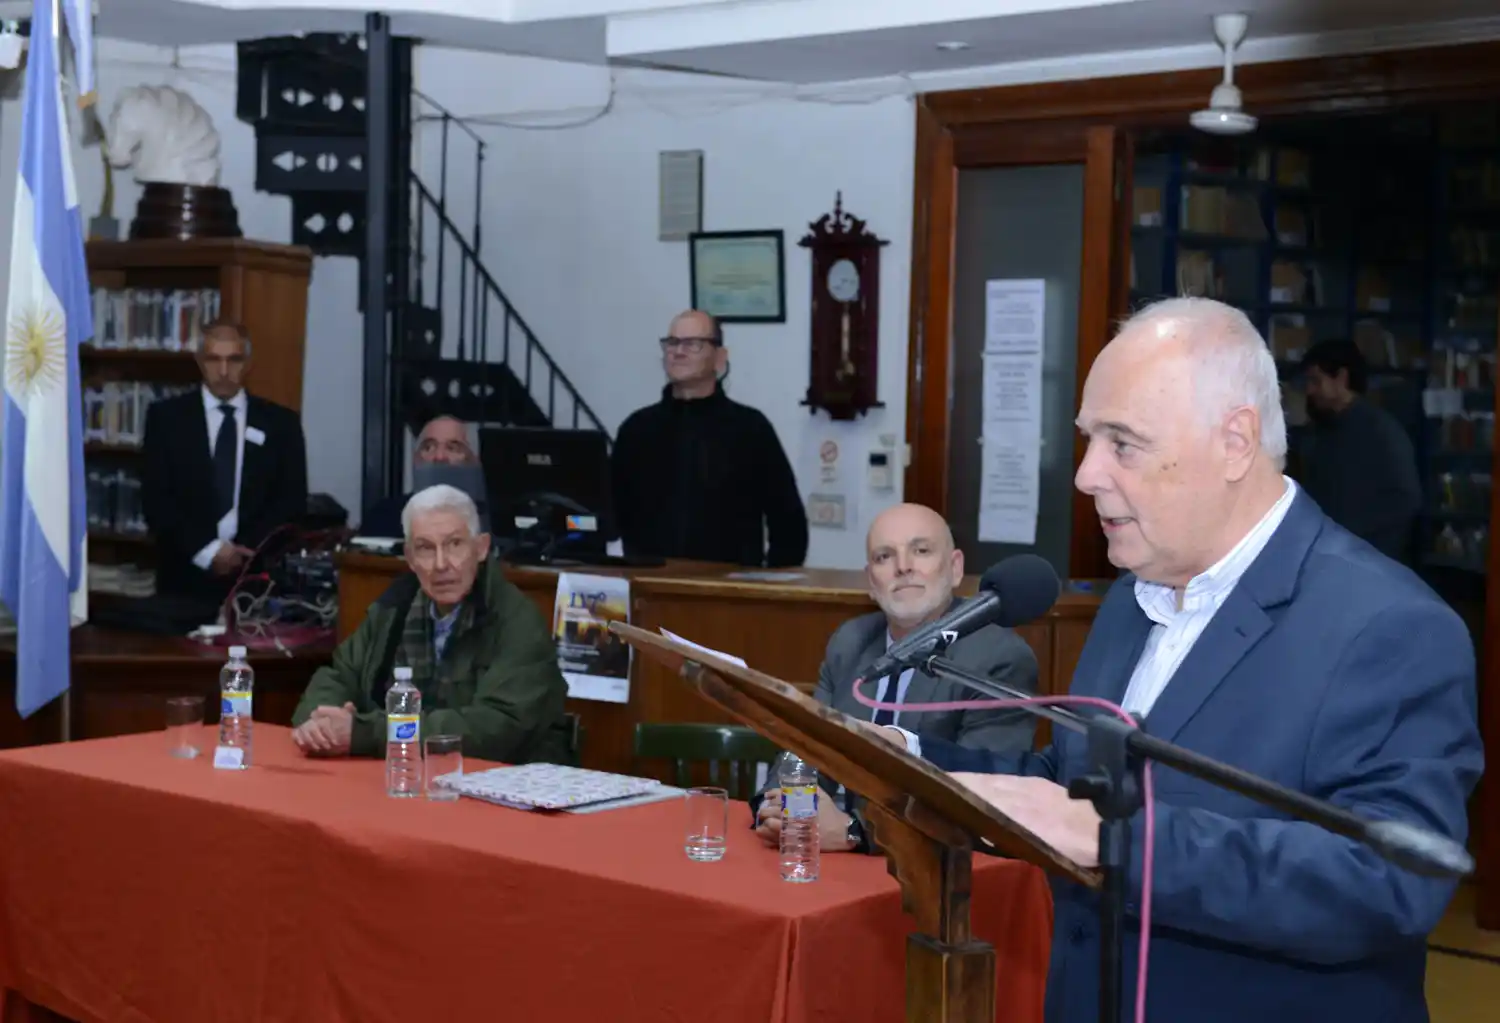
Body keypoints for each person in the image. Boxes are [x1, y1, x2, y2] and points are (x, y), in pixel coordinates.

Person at [878, 299, 1481, 1023]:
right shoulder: (1135, 596)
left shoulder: (1391, 625)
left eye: (1123, 443)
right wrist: (908, 758)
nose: (1086, 474)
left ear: (1235, 442)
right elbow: (1070, 786)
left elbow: (1390, 881)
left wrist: (1118, 844)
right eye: (1089, 440)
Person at [753, 502, 1039, 852]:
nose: (903, 567)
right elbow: (807, 746)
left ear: (955, 568)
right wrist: (790, 811)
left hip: (938, 864)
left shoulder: (999, 658)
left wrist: (853, 832)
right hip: (833, 856)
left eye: (921, 551)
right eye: (884, 557)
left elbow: (985, 799)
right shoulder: (851, 641)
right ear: (871, 582)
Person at [291, 484, 571, 764]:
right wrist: (320, 724)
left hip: (504, 778)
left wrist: (367, 733)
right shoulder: (394, 608)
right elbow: (338, 676)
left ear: (481, 548)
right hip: (408, 773)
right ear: (410, 558)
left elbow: (494, 729)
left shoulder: (516, 619)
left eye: (454, 544)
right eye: (425, 548)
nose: (440, 564)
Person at [610, 309, 808, 567]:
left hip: (728, 586)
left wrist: (770, 583)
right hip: (648, 582)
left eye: (692, 344)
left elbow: (789, 524)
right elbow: (607, 514)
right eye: (672, 343)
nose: (678, 352)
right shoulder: (636, 429)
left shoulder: (750, 429)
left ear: (719, 358)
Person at [141, 321, 307, 601]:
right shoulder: (166, 419)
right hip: (183, 580)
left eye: (234, 360)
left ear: (249, 363)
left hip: (256, 581)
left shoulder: (281, 424)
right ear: (199, 361)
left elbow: (291, 502)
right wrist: (208, 552)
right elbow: (156, 501)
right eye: (213, 359)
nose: (223, 371)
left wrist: (244, 553)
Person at [1297, 339, 1422, 563]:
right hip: (1328, 556)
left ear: (1341, 378)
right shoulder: (1324, 430)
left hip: (1367, 560)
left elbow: (1406, 499)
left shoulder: (1381, 431)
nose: (1309, 390)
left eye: (1316, 380)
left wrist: (1349, 530)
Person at [360, 414, 478, 538]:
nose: (439, 457)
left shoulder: (486, 519)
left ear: (475, 461)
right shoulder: (384, 516)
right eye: (428, 447)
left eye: (452, 448)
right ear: (416, 460)